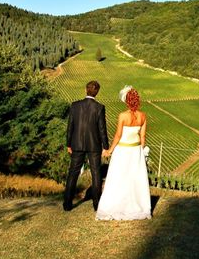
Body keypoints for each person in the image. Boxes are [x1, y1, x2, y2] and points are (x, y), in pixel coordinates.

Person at [96, 85, 151, 220]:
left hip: (122, 150)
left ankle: (116, 205)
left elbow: (118, 135)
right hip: (136, 150)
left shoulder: (123, 116)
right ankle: (138, 206)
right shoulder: (143, 116)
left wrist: (110, 150)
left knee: (118, 177)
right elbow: (143, 137)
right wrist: (140, 151)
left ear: (127, 101)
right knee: (134, 178)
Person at [64, 80, 109, 212]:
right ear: (97, 92)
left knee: (73, 173)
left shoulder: (75, 106)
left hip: (76, 144)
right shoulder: (99, 107)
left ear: (86, 90)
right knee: (96, 173)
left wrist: (68, 144)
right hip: (94, 145)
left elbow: (70, 127)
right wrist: (105, 146)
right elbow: (102, 129)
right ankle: (96, 205)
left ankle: (67, 204)